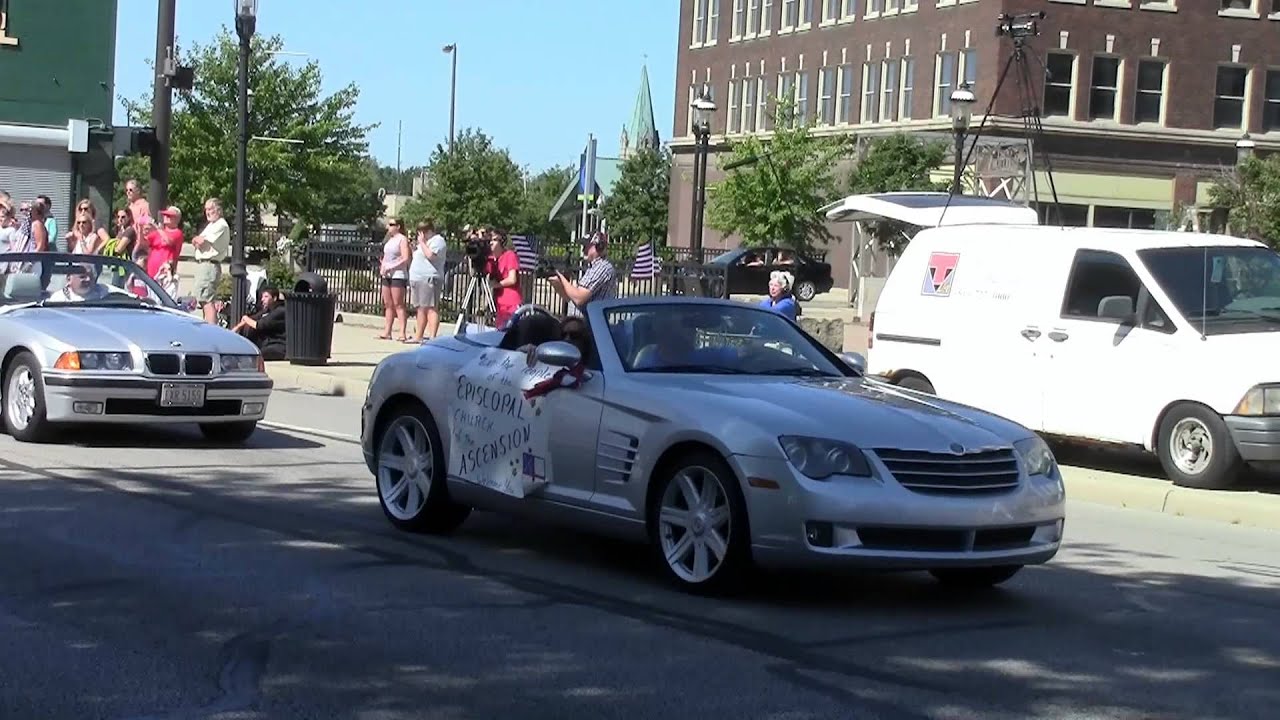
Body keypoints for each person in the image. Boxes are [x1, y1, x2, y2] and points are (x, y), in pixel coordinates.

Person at [548, 232, 616, 317]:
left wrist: (561, 278)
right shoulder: (593, 268)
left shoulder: (603, 268)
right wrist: (558, 285)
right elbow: (571, 298)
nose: (583, 250)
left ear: (598, 247)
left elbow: (578, 298)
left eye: (586, 246)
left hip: (590, 326)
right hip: (581, 323)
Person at [190, 198, 231, 324]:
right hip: (204, 265)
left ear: (218, 210)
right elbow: (195, 241)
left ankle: (211, 329)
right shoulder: (211, 225)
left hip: (210, 265)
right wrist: (198, 240)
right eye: (206, 209)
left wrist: (198, 240)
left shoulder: (221, 224)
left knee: (207, 300)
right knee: (202, 301)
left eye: (210, 209)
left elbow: (201, 241)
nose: (207, 212)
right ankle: (206, 328)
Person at [408, 219, 446, 342]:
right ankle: (418, 336)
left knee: (431, 307)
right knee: (420, 308)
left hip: (429, 278)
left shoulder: (438, 241)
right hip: (417, 278)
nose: (420, 234)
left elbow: (430, 256)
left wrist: (422, 243)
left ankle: (433, 337)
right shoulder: (424, 242)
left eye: (422, 232)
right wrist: (415, 247)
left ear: (428, 230)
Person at [377, 218, 410, 341]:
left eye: (391, 225)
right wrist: (383, 267)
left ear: (398, 226)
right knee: (388, 303)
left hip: (398, 274)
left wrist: (392, 266)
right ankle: (387, 331)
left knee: (398, 304)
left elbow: (405, 257)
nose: (388, 227)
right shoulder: (389, 240)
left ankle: (402, 332)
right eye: (388, 224)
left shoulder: (402, 239)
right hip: (387, 274)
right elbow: (385, 256)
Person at [232, 286, 287, 360]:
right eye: (262, 297)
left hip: (278, 345)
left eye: (266, 297)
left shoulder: (280, 311)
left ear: (274, 298)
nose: (262, 299)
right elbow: (252, 319)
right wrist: (236, 328)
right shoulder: (266, 310)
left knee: (256, 354)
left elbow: (259, 325)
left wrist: (246, 319)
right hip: (267, 343)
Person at [486, 229, 523, 329]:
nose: (491, 243)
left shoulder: (509, 255)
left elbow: (512, 279)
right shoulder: (491, 259)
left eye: (494, 240)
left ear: (501, 242)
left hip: (511, 302)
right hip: (499, 304)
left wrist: (497, 284)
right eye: (489, 240)